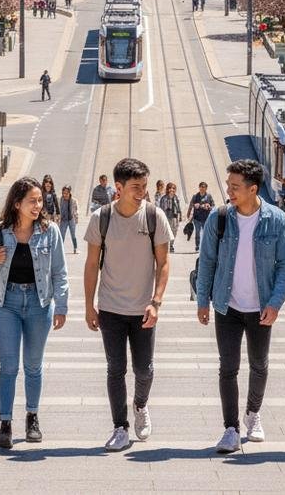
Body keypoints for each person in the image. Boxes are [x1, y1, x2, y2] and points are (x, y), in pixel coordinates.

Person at [196, 159, 285, 454]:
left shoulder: (276, 219)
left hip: (261, 307)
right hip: (227, 306)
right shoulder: (220, 217)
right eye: (228, 185)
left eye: (235, 186)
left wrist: (275, 303)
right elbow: (208, 261)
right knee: (228, 367)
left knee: (259, 364)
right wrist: (203, 300)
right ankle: (230, 429)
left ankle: (252, 414)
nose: (229, 191)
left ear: (253, 189)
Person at [84, 157, 173, 452]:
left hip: (143, 309)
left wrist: (156, 302)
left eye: (145, 186)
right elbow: (91, 263)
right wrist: (88, 305)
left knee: (145, 370)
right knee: (115, 369)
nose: (143, 192)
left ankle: (140, 405)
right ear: (118, 187)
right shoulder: (101, 218)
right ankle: (119, 427)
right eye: (136, 187)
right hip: (110, 308)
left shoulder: (154, 216)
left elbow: (163, 264)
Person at [0, 176, 68, 449]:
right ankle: (5, 423)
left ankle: (32, 418)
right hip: (7, 303)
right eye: (32, 201)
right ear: (17, 203)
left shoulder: (49, 231)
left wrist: (62, 306)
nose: (38, 205)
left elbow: (59, 272)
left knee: (33, 366)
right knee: (8, 367)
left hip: (39, 303)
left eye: (40, 200)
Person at [187, 182, 215, 254]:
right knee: (197, 233)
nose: (202, 188)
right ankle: (197, 246)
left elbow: (213, 206)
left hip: (206, 218)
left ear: (206, 188)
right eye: (201, 187)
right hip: (197, 218)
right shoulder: (195, 196)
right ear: (199, 187)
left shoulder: (209, 196)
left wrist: (209, 206)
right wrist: (189, 213)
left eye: (204, 187)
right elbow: (191, 205)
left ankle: (205, 247)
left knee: (206, 233)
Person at [158, 182, 182, 252]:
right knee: (166, 231)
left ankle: (171, 245)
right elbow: (161, 208)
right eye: (170, 188)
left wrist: (180, 215)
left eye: (173, 188)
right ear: (168, 189)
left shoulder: (176, 197)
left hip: (174, 216)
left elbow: (178, 207)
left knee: (174, 231)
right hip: (166, 216)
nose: (172, 190)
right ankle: (166, 246)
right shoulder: (164, 198)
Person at [59, 185, 79, 253]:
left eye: (66, 193)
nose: (65, 195)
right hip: (63, 220)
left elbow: (76, 210)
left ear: (69, 193)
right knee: (62, 235)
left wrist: (76, 219)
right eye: (63, 193)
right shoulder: (60, 200)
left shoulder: (73, 201)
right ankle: (60, 249)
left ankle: (75, 248)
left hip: (71, 219)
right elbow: (58, 210)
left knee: (73, 235)